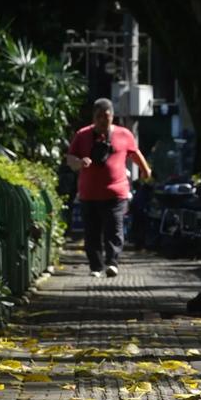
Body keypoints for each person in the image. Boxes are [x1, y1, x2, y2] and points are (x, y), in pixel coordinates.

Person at [67, 98, 151, 277]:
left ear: (112, 116)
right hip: (89, 194)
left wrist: (145, 170)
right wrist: (80, 162)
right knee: (92, 232)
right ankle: (96, 267)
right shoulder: (82, 135)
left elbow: (135, 153)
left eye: (106, 116)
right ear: (93, 117)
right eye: (99, 117)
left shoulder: (124, 134)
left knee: (114, 228)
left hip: (116, 192)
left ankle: (112, 262)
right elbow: (70, 159)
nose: (103, 121)